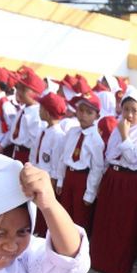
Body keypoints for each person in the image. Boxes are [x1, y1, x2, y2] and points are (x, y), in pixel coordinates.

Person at [89, 86, 137, 273]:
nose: (128, 114)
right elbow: (110, 155)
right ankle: (99, 260)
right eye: (125, 109)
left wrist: (125, 136)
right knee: (106, 221)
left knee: (123, 225)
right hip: (112, 178)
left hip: (129, 182)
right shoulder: (117, 129)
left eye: (134, 110)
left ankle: (117, 266)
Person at [56, 93, 104, 232]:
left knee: (79, 217)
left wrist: (90, 193)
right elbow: (63, 157)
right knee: (64, 213)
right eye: (81, 110)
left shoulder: (96, 140)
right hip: (69, 176)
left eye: (89, 112)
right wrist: (60, 180)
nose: (83, 115)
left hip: (83, 179)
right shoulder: (72, 132)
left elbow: (97, 168)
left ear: (97, 116)